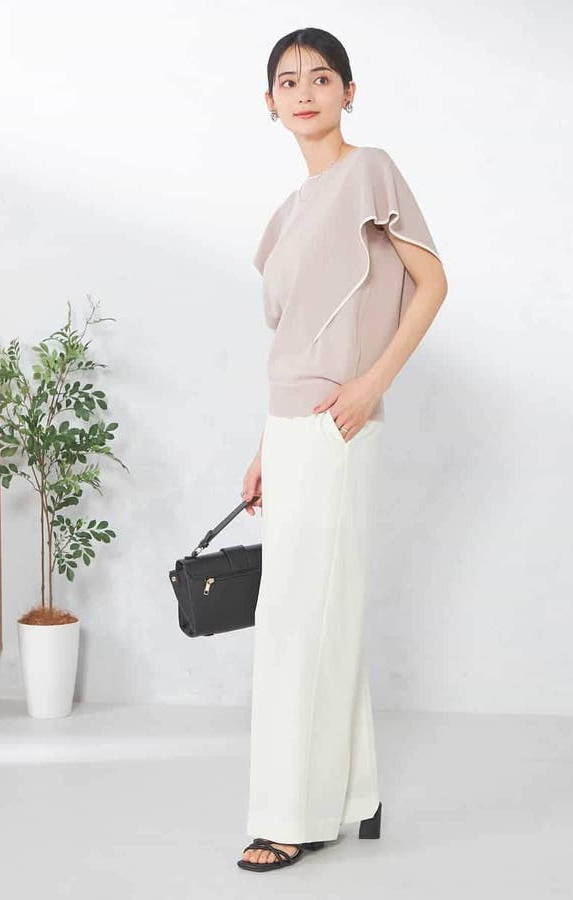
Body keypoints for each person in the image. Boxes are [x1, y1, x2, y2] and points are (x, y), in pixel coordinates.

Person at [237, 27, 448, 872]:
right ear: (270, 103)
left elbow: (431, 282)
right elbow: (291, 340)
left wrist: (371, 385)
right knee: (310, 614)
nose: (305, 92)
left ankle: (292, 815)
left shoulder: (372, 172)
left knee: (300, 620)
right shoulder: (287, 213)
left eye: (321, 78)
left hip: (340, 423)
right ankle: (355, 793)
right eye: (289, 82)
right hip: (290, 429)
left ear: (349, 91)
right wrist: (264, 444)